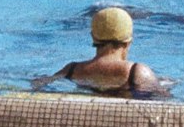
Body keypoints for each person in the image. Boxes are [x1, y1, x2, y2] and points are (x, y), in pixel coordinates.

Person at [34, 6, 162, 96]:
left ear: (93, 37)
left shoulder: (72, 70)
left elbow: (39, 84)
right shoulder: (135, 72)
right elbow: (163, 102)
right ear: (129, 41)